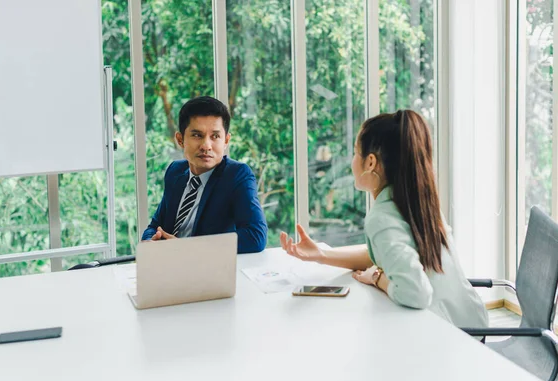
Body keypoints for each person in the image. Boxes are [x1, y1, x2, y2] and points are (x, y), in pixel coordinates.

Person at [280, 110, 488, 328]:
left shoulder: (382, 217)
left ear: (370, 162)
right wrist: (321, 254)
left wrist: (377, 277)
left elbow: (416, 293)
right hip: (471, 323)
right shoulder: (418, 202)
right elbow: (383, 254)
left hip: (452, 339)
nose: (352, 162)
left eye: (355, 153)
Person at [141, 96, 267, 254]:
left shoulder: (237, 175)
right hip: (168, 265)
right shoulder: (175, 172)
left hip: (208, 270)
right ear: (180, 140)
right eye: (197, 135)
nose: (206, 146)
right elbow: (155, 225)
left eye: (215, 136)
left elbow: (255, 237)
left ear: (226, 140)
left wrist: (187, 248)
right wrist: (149, 242)